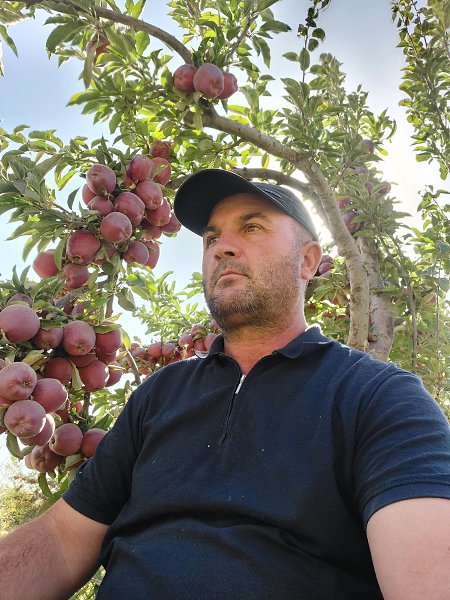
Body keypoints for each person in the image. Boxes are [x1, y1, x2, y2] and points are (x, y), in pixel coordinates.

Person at [1, 168, 449, 600]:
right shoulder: (160, 393)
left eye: (252, 227)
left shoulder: (378, 396)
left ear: (308, 261)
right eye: (211, 238)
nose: (222, 249)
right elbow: (63, 539)